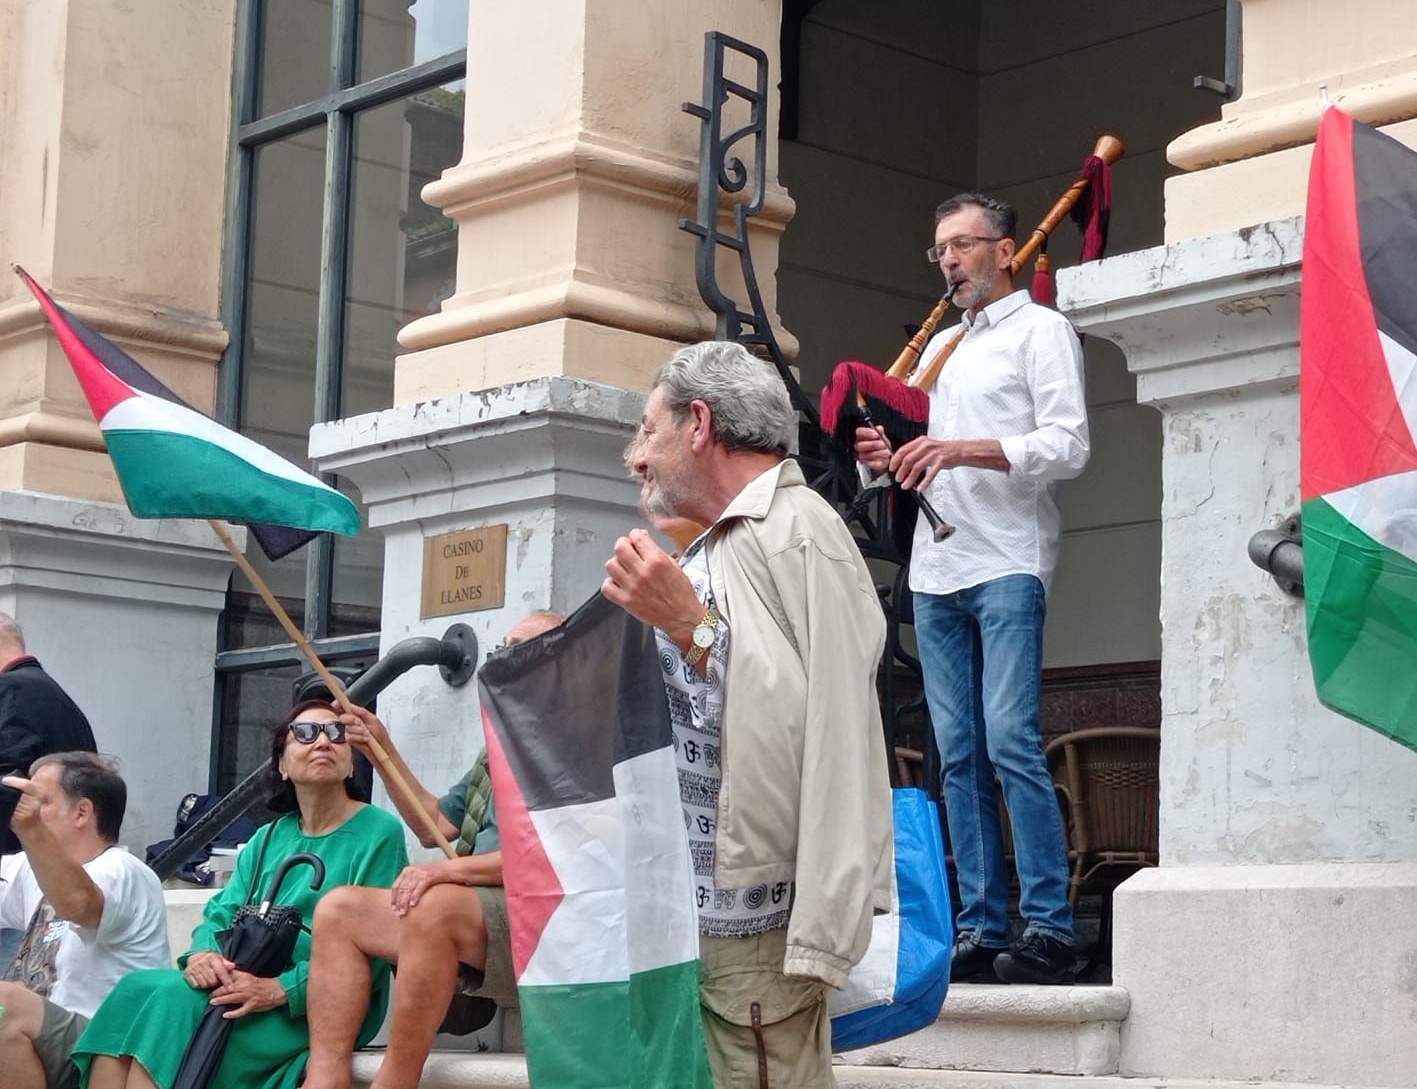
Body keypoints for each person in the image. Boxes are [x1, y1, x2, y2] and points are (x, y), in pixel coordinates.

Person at [604, 340, 893, 1088]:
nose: (637, 455)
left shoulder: (798, 531)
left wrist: (688, 626)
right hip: (696, 917)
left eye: (648, 428)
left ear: (699, 422)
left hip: (755, 930)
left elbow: (816, 726)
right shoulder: (730, 540)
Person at [852, 192, 1091, 984]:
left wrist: (958, 451)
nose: (949, 260)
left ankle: (1051, 927)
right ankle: (981, 926)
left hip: (1006, 559)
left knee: (1011, 741)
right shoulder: (938, 349)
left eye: (963, 244)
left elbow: (1067, 444)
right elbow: (895, 460)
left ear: (1006, 250)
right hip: (935, 567)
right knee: (957, 755)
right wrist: (875, 454)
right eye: (940, 249)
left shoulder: (1040, 331)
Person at [298, 610, 565, 1089]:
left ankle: (395, 1081)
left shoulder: (579, 743)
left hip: (547, 922)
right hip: (479, 915)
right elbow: (435, 825)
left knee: (436, 902)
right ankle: (325, 1078)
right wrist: (381, 749)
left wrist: (449, 873)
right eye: (502, 645)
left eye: (519, 645)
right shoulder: (498, 747)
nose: (502, 655)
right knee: (339, 909)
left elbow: (551, 860)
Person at [74, 705, 406, 1089]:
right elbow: (223, 912)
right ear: (282, 765)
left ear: (351, 766)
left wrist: (281, 990)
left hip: (318, 1004)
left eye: (335, 734)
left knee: (169, 1001)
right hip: (242, 980)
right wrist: (201, 955)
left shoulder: (379, 831)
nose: (321, 741)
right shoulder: (268, 837)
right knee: (138, 990)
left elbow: (377, 948)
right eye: (305, 732)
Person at [0, 754, 167, 1089]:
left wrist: (29, 827)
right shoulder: (30, 866)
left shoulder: (123, 870)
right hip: (44, 1039)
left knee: (6, 1004)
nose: (28, 810)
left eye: (41, 801)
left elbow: (78, 905)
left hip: (103, 1046)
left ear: (82, 813)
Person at [0, 613, 99, 858]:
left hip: (22, 864)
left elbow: (7, 784)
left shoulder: (11, 689)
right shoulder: (52, 694)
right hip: (60, 859)